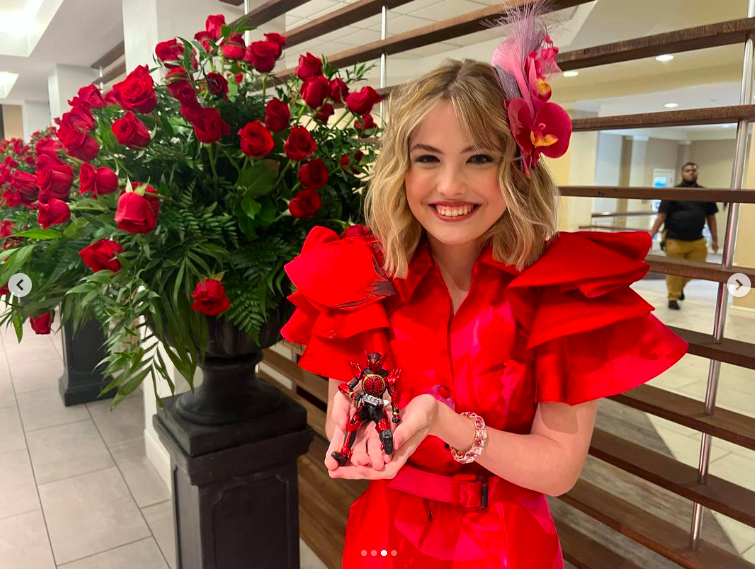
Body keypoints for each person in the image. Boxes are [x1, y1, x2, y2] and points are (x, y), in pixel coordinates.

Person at [281, 7, 688, 568]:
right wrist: (359, 442)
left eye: (479, 158)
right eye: (428, 159)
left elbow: (559, 468)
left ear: (518, 167)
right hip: (387, 538)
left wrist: (444, 425)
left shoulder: (561, 292)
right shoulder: (360, 276)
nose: (450, 185)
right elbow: (345, 411)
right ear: (401, 169)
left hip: (504, 545)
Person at [649, 162, 719, 310]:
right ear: (682, 173)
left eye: (694, 170)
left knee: (697, 270)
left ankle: (679, 289)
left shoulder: (705, 194)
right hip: (674, 239)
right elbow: (661, 216)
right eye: (688, 170)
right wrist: (650, 235)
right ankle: (673, 297)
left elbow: (711, 218)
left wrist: (715, 239)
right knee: (674, 271)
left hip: (697, 240)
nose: (691, 173)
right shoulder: (672, 193)